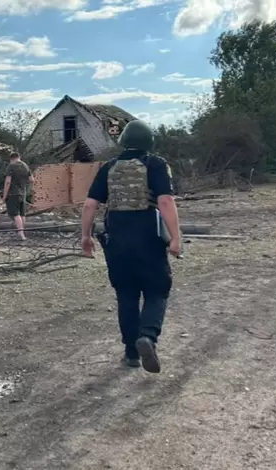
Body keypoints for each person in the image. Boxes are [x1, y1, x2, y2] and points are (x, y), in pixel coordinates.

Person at [80, 120, 181, 374]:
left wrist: (86, 236)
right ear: (150, 142)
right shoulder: (155, 164)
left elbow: (90, 205)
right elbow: (166, 201)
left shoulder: (109, 167)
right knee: (158, 290)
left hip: (116, 240)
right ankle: (147, 336)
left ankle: (131, 353)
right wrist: (176, 237)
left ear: (123, 141)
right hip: (148, 238)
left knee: (126, 294)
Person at [3, 152, 33, 240]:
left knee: (15, 214)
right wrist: (26, 188)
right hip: (23, 193)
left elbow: (8, 181)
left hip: (13, 194)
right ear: (19, 157)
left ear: (11, 158)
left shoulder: (11, 166)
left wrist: (4, 195)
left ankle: (21, 234)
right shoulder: (25, 166)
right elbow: (32, 180)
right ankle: (23, 232)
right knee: (22, 214)